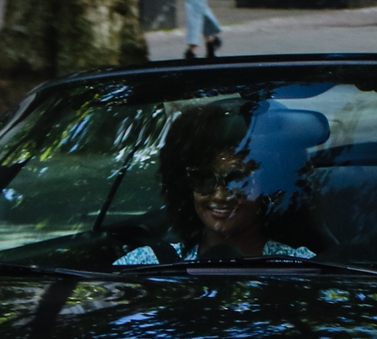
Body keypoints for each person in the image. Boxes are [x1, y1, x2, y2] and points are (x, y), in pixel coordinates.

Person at [116, 107, 312, 265]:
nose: (220, 195)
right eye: (203, 179)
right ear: (186, 187)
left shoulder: (302, 267)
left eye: (237, 180)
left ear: (268, 185)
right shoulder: (147, 264)